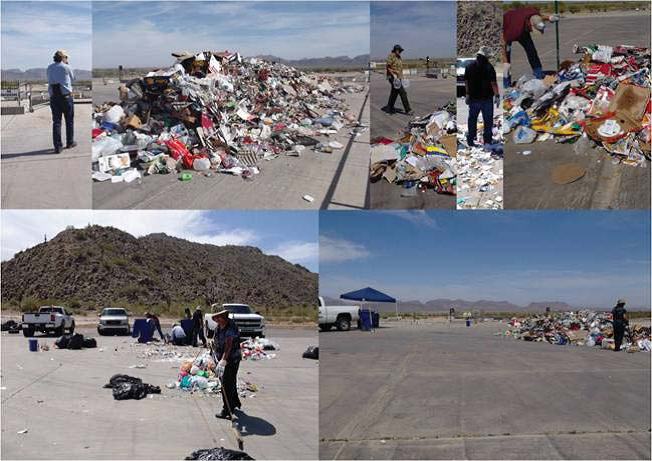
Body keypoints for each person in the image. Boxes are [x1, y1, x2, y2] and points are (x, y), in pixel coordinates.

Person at [502, 7, 559, 88]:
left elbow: (539, 17)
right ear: (529, 24)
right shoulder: (514, 30)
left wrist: (550, 18)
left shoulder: (533, 13)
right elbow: (503, 42)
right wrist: (504, 60)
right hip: (506, 30)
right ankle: (506, 85)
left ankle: (539, 75)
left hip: (523, 28)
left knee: (532, 52)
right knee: (506, 62)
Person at [465, 47, 499, 148]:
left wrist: (467, 94)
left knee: (472, 120)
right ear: (486, 57)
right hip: (486, 99)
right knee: (488, 120)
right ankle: (487, 140)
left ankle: (471, 139)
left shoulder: (469, 66)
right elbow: (493, 83)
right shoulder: (489, 67)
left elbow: (466, 82)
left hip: (473, 99)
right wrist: (497, 95)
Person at [211, 310, 242, 419]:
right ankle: (234, 403)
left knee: (226, 384)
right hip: (222, 358)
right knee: (230, 382)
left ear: (223, 315)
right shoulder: (219, 326)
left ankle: (227, 410)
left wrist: (223, 361)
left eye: (218, 317)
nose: (216, 320)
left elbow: (228, 346)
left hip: (231, 359)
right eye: (215, 318)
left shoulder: (231, 328)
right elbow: (217, 339)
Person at [46, 50, 76, 153]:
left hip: (54, 97)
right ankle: (70, 142)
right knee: (69, 121)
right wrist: (67, 64)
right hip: (66, 97)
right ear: (63, 58)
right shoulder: (66, 67)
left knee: (57, 122)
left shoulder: (49, 67)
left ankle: (58, 147)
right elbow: (73, 79)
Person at [383, 44, 412, 115]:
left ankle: (389, 109)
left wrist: (402, 76)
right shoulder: (391, 56)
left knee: (394, 93)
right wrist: (394, 75)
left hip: (398, 78)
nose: (401, 52)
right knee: (402, 93)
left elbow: (399, 68)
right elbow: (388, 67)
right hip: (392, 77)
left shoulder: (399, 57)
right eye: (400, 51)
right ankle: (408, 109)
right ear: (396, 50)